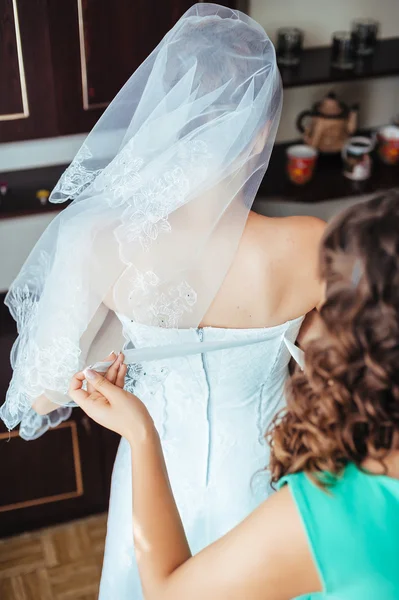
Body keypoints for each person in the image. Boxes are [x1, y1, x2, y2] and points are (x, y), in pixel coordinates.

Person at [1, 5, 324, 598]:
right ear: (261, 131)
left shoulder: (96, 241)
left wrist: (112, 348)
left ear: (164, 120)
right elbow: (341, 371)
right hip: (270, 488)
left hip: (153, 485)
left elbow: (43, 394)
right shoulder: (310, 246)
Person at [70, 190, 399, 600]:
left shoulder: (333, 510)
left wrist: (141, 434)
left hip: (182, 472)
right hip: (262, 460)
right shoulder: (300, 244)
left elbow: (169, 592)